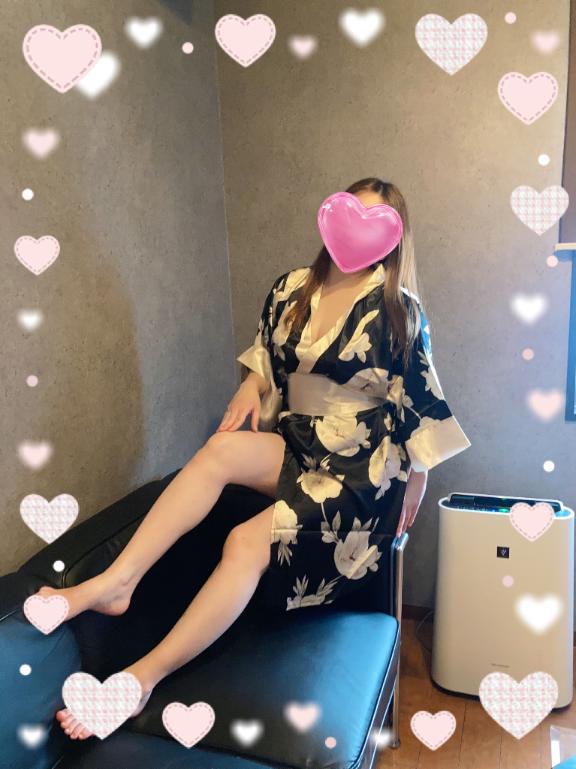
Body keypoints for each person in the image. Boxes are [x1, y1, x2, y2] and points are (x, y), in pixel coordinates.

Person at [32, 176, 471, 740]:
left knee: (245, 540)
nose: (358, 231)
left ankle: (140, 679)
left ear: (393, 238)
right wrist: (249, 384)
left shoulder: (397, 309)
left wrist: (419, 479)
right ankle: (117, 583)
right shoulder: (292, 289)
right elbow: (267, 358)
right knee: (220, 450)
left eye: (375, 222)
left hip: (364, 471)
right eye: (351, 214)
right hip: (302, 440)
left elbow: (420, 398)